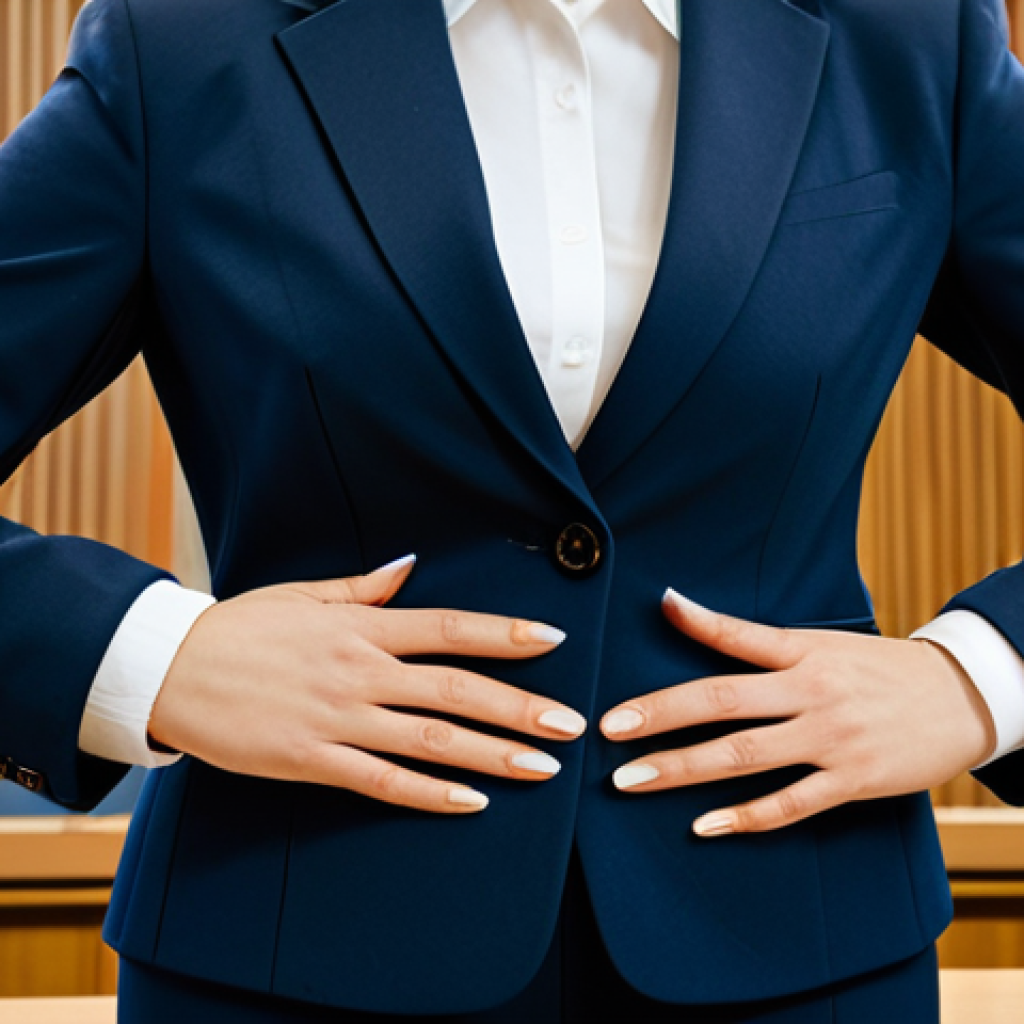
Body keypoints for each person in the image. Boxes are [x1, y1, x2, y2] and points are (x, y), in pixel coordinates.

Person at [2, 0, 1024, 1018]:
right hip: (290, 940)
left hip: (800, 939)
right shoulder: (181, 41)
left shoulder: (911, 38)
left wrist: (976, 677)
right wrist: (155, 657)